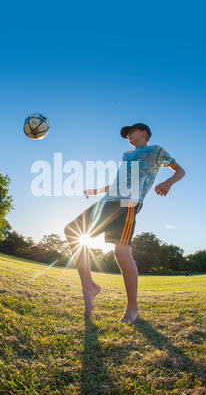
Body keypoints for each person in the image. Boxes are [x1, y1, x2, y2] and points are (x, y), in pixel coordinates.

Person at [64, 123, 185, 323]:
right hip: (107, 202)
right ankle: (89, 286)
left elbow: (180, 170)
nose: (128, 134)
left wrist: (167, 183)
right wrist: (95, 191)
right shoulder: (126, 155)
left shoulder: (155, 151)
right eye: (126, 133)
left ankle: (132, 307)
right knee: (72, 231)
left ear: (144, 133)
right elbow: (117, 183)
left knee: (121, 251)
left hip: (128, 204)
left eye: (131, 131)